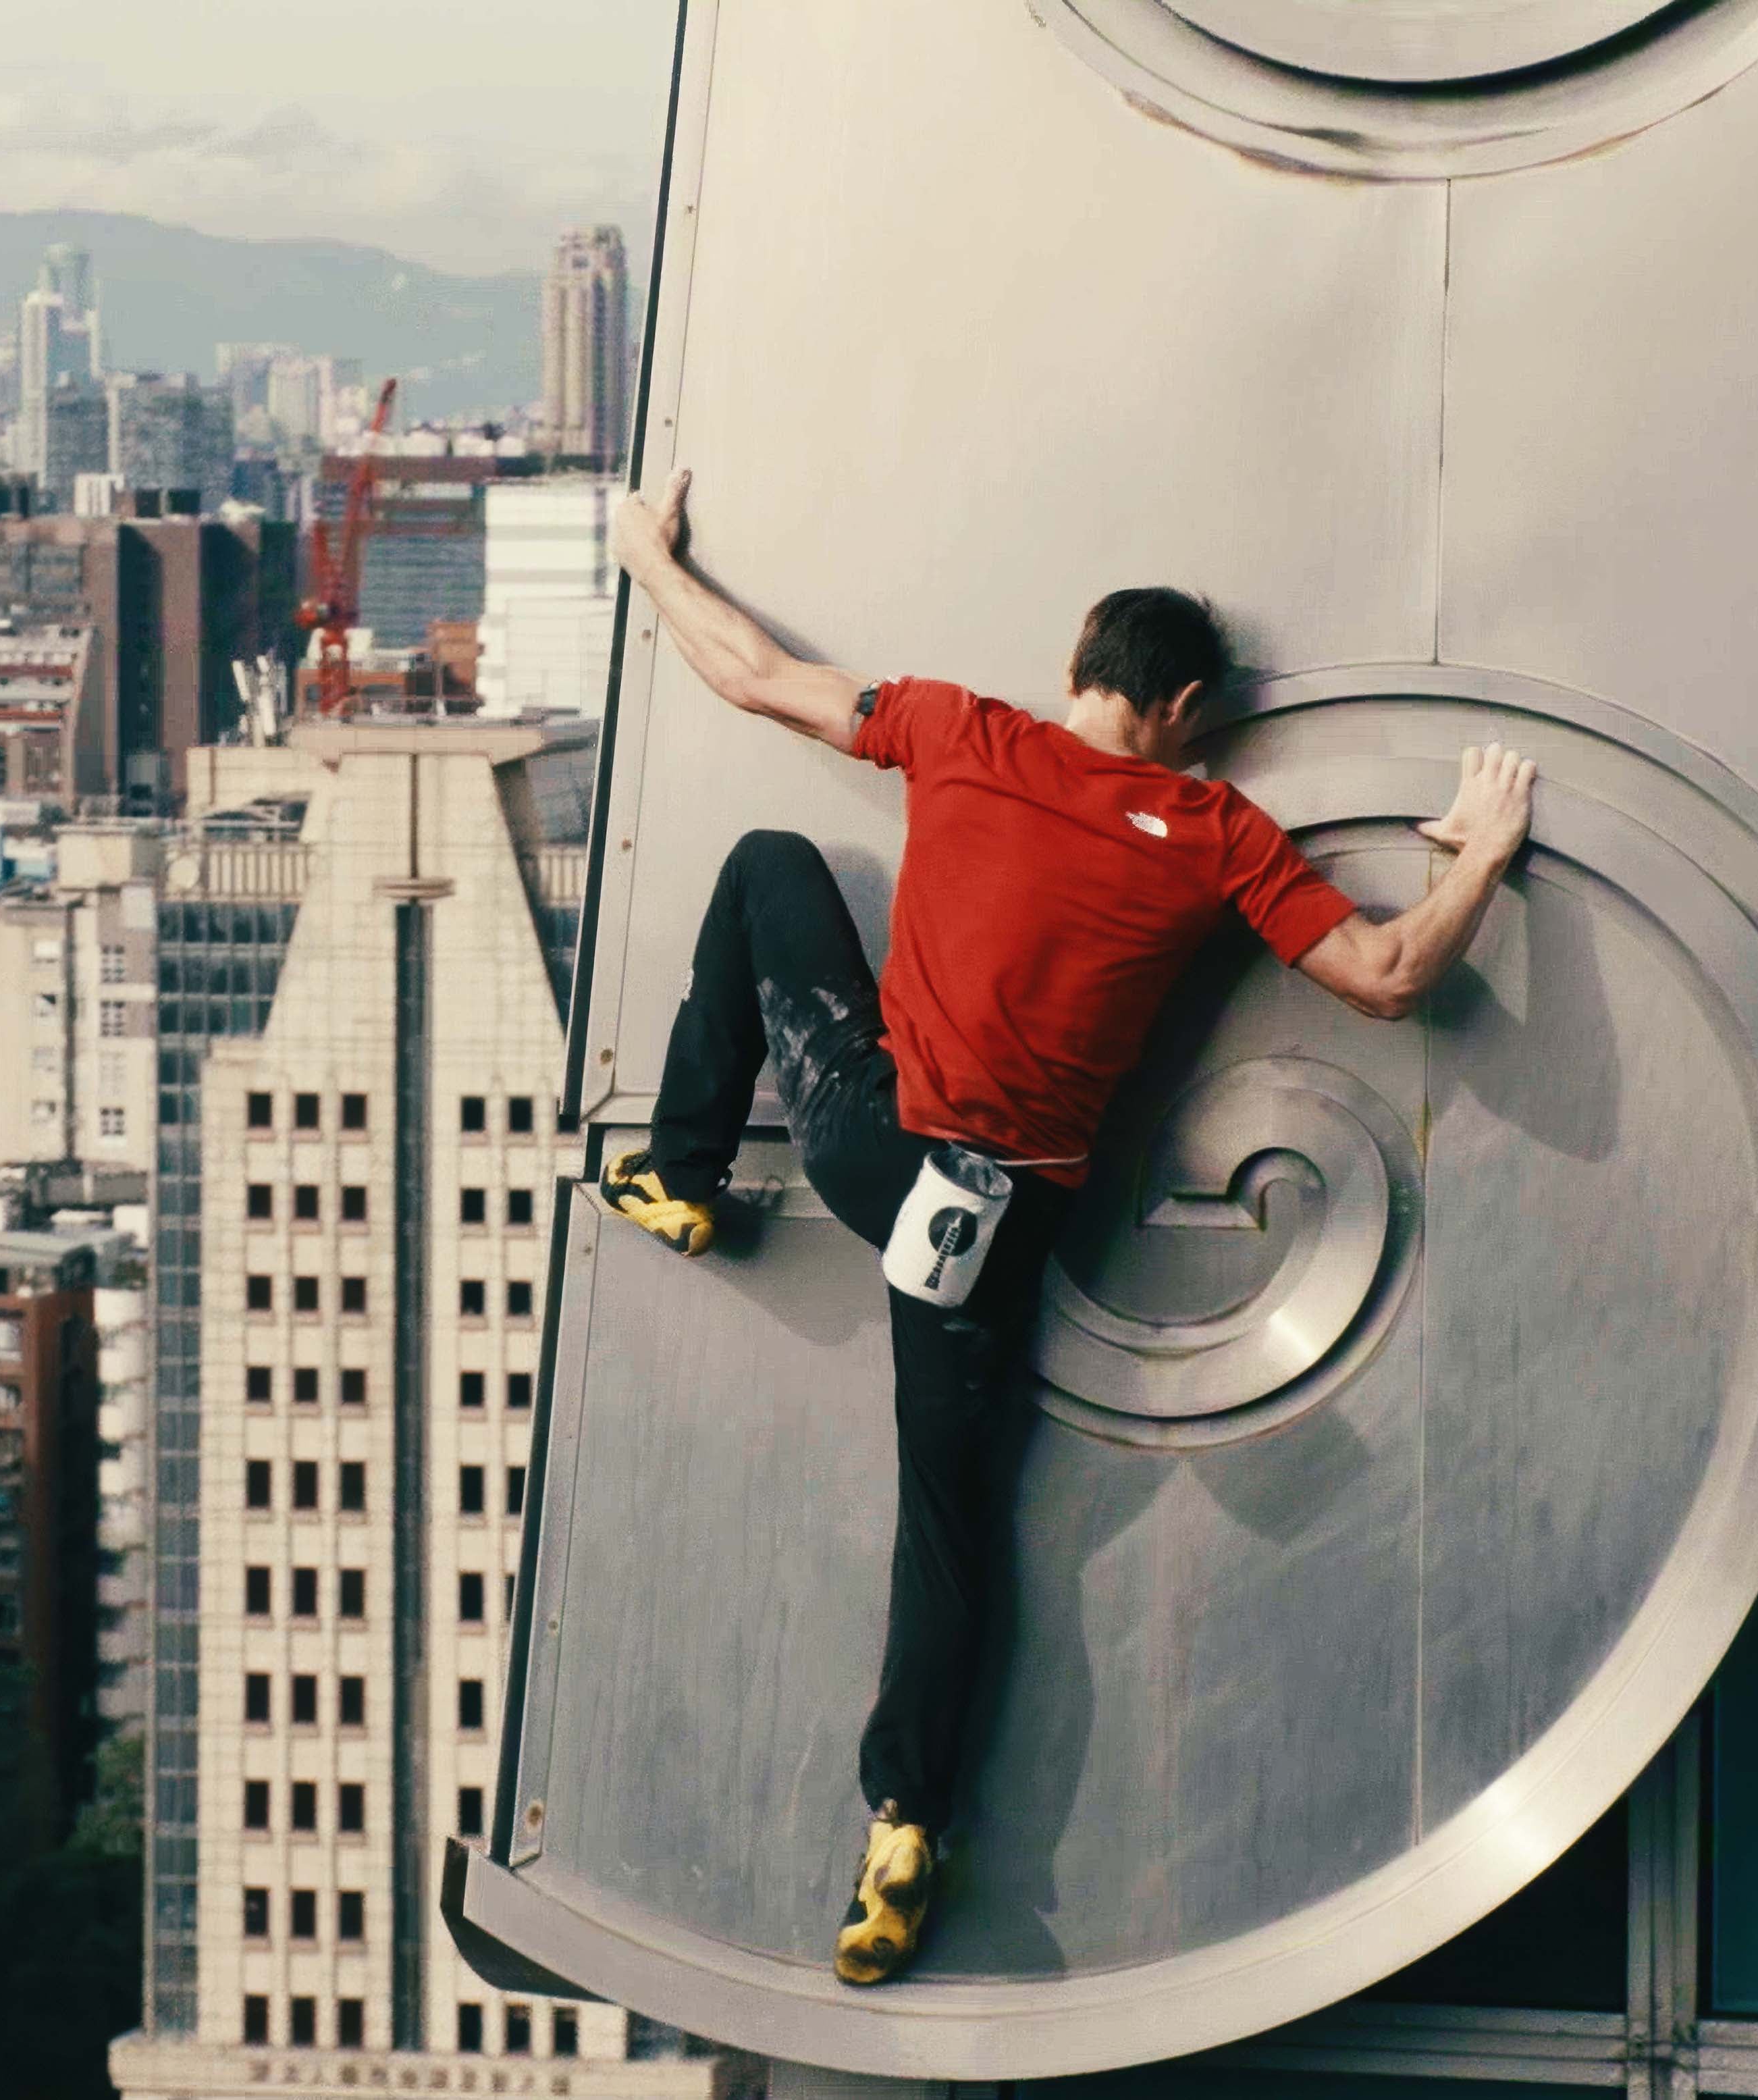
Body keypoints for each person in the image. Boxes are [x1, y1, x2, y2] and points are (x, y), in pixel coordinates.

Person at [604, 471, 1537, 1986]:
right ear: (1182, 707)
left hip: (869, 1144)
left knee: (772, 861)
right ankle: (904, 1825)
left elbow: (754, 673)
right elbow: (1384, 976)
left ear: (1075, 668)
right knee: (950, 1520)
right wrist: (1479, 853)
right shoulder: (1217, 830)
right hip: (997, 1219)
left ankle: (680, 1171)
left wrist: (648, 557)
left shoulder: (961, 729)